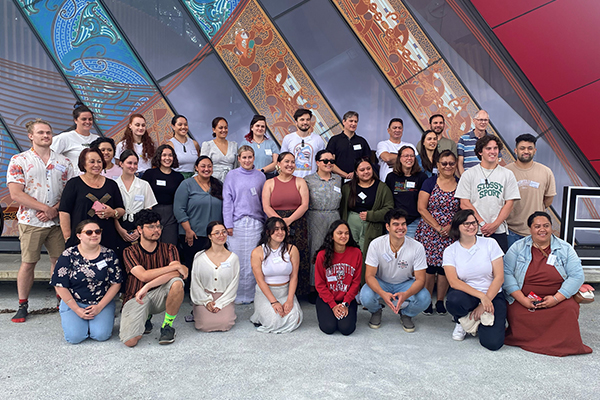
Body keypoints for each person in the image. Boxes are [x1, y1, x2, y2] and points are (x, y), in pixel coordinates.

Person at [7, 119, 75, 323]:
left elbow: (69, 192)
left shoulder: (64, 162)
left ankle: (60, 300)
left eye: (48, 132)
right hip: (31, 221)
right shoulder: (19, 160)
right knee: (28, 263)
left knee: (59, 261)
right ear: (31, 136)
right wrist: (44, 208)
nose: (46, 136)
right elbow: (15, 194)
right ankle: (22, 304)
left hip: (56, 222)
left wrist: (54, 210)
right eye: (41, 133)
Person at [503, 211, 592, 356]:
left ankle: (561, 344)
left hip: (557, 296)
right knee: (517, 311)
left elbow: (577, 275)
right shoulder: (518, 247)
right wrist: (522, 299)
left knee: (568, 309)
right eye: (537, 226)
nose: (542, 229)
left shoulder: (565, 248)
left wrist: (556, 298)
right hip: (525, 297)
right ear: (530, 229)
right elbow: (506, 273)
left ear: (551, 227)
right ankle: (528, 339)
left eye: (546, 225)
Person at [120, 210, 188, 346]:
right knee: (130, 341)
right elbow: (143, 275)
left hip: (159, 295)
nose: (156, 230)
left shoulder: (169, 248)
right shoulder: (129, 251)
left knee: (177, 283)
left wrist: (148, 286)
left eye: (158, 226)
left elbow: (181, 273)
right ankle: (146, 318)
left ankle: (167, 326)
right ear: (139, 229)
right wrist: (173, 268)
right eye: (151, 226)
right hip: (136, 297)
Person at [442, 210, 506, 350]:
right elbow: (453, 282)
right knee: (454, 301)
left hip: (493, 295)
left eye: (473, 223)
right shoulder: (450, 251)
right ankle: (462, 321)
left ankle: (476, 321)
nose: (471, 227)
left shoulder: (490, 243)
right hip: (469, 295)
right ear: (457, 226)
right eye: (466, 224)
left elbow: (499, 277)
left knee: (493, 344)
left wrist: (485, 302)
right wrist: (481, 297)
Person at [50, 220, 122, 343]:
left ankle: (93, 323)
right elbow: (59, 285)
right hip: (75, 302)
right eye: (89, 232)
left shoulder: (109, 254)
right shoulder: (68, 255)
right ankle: (80, 322)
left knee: (101, 335)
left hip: (101, 302)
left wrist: (99, 307)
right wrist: (77, 309)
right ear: (79, 236)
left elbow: (116, 283)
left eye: (97, 231)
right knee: (75, 338)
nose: (94, 235)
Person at [360, 209, 431, 332]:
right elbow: (369, 276)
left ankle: (406, 314)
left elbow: (420, 280)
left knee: (425, 298)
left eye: (403, 224)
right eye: (396, 224)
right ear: (387, 227)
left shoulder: (417, 247)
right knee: (364, 296)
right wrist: (382, 294)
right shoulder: (376, 244)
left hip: (404, 283)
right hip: (382, 281)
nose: (401, 228)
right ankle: (376, 311)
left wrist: (406, 295)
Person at [455, 135, 520, 252]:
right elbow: (464, 203)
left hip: (499, 230)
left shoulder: (507, 174)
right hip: (474, 230)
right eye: (488, 148)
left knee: (498, 268)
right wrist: (482, 224)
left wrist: (495, 225)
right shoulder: (469, 174)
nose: (493, 152)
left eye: (495, 148)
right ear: (480, 151)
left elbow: (509, 203)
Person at [415, 150, 460, 315]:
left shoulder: (460, 183)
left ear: (455, 165)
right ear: (438, 166)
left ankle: (440, 300)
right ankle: (427, 300)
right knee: (429, 268)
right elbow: (421, 207)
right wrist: (437, 227)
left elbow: (463, 208)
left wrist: (449, 226)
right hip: (429, 231)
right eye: (444, 163)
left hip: (451, 232)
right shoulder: (429, 182)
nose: (448, 166)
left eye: (451, 163)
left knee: (444, 268)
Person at [262, 152, 310, 296]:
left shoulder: (300, 182)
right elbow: (266, 206)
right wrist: (280, 224)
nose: (290, 165)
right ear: (279, 164)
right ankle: (277, 290)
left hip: (297, 223)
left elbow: (304, 205)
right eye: (287, 161)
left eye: (293, 162)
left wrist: (288, 221)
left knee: (296, 256)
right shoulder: (269, 182)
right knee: (277, 255)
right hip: (274, 224)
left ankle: (299, 292)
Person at [222, 146, 266, 303]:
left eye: (250, 157)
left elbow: (264, 200)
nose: (247, 160)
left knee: (254, 259)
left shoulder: (260, 176)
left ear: (254, 158)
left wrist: (267, 223)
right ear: (239, 159)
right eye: (244, 157)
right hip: (237, 224)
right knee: (237, 259)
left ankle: (254, 294)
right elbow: (227, 201)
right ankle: (237, 294)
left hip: (256, 222)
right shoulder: (231, 176)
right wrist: (228, 224)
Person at [59, 148, 125, 252]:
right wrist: (68, 237)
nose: (96, 165)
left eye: (99, 161)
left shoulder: (111, 184)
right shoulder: (74, 184)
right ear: (83, 164)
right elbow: (64, 212)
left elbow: (121, 209)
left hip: (107, 236)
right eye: (92, 161)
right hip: (81, 238)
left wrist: (112, 212)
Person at [250, 217, 303, 333]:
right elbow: (260, 281)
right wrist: (274, 302)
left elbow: (294, 277)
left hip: (285, 292)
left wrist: (289, 300)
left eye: (283, 229)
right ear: (268, 232)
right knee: (274, 320)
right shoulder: (257, 252)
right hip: (266, 294)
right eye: (276, 229)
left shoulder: (292, 250)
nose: (280, 232)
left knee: (295, 318)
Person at [341, 158, 394, 275]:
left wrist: (371, 215)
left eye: (368, 168)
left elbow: (389, 209)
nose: (366, 172)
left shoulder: (382, 188)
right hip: (351, 226)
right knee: (350, 254)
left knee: (369, 257)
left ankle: (365, 286)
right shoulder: (347, 187)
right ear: (356, 172)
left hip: (372, 228)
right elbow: (342, 208)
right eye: (362, 169)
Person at [505, 134, 556, 247]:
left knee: (536, 264)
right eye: (522, 148)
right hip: (511, 231)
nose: (526, 151)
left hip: (537, 231)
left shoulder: (546, 172)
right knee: (512, 264)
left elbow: (548, 199)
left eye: (530, 148)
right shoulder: (505, 172)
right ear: (515, 150)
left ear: (535, 150)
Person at [173, 156, 223, 270]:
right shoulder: (186, 185)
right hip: (193, 234)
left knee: (213, 267)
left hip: (214, 235)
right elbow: (179, 209)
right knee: (194, 267)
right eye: (203, 166)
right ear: (196, 168)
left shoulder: (218, 184)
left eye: (209, 166)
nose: (206, 169)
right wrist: (188, 230)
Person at [313, 220, 362, 335]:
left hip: (347, 299)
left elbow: (356, 282)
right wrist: (333, 306)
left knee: (346, 329)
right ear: (332, 236)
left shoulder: (356, 253)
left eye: (346, 233)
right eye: (339, 233)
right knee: (329, 327)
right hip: (327, 299)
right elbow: (320, 285)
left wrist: (345, 303)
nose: (343, 236)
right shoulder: (322, 255)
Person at [190, 222, 240, 332]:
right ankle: (197, 310)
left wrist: (220, 303)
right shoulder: (199, 257)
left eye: (223, 232)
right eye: (216, 233)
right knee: (205, 324)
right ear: (209, 236)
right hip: (204, 296)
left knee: (225, 323)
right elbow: (195, 282)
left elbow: (234, 284)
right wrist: (206, 301)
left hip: (225, 297)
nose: (221, 235)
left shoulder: (233, 258)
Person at [305, 150, 343, 289]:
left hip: (334, 217)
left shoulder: (338, 179)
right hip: (315, 218)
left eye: (331, 161)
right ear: (317, 162)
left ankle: (333, 284)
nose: (329, 164)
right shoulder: (308, 180)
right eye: (325, 161)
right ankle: (315, 286)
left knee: (334, 251)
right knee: (316, 251)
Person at [141, 144, 184, 246]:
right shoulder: (150, 174)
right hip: (152, 212)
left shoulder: (178, 177)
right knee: (151, 243)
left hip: (171, 215)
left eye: (170, 155)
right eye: (164, 155)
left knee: (170, 245)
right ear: (159, 157)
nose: (167, 158)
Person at [115, 150, 157, 247]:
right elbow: (113, 211)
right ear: (121, 163)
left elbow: (148, 209)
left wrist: (139, 230)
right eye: (129, 163)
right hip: (119, 226)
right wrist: (120, 230)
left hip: (139, 226)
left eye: (135, 164)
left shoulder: (144, 185)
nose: (133, 166)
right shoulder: (114, 185)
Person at [385, 146, 427, 238]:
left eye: (412, 156)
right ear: (400, 158)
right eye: (406, 156)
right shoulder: (391, 177)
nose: (409, 158)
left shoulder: (421, 177)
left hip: (414, 222)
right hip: (395, 222)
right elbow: (387, 200)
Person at [51, 102, 100, 174]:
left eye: (90, 119)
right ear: (75, 120)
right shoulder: (64, 137)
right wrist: (62, 170)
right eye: (84, 119)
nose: (87, 122)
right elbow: (49, 157)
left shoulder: (97, 139)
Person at [280, 108, 326, 178]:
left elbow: (322, 160)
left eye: (308, 120)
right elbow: (283, 160)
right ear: (296, 122)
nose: (305, 122)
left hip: (312, 180)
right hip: (292, 179)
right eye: (302, 120)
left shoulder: (318, 139)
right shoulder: (288, 138)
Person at [326, 111, 372, 180]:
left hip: (358, 179)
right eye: (351, 121)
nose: (353, 124)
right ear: (343, 122)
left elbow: (367, 161)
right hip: (337, 179)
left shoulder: (362, 141)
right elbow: (329, 162)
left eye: (355, 121)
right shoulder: (334, 140)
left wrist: (355, 173)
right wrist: (345, 175)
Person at [376, 118, 417, 182]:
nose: (397, 130)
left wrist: (394, 158)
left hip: (406, 182)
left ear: (402, 130)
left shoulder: (410, 146)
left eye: (399, 128)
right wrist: (406, 160)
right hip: (386, 183)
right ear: (388, 130)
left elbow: (416, 161)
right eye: (394, 128)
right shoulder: (382, 144)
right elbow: (387, 158)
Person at [201, 117, 238, 182]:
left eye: (225, 128)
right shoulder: (207, 145)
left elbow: (237, 166)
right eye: (220, 128)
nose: (224, 130)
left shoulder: (234, 145)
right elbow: (202, 165)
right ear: (214, 129)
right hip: (212, 181)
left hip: (231, 181)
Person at [457, 110, 491, 176]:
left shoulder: (492, 140)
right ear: (474, 121)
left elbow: (496, 161)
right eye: (480, 120)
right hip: (469, 179)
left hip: (487, 180)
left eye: (485, 120)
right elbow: (460, 162)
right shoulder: (463, 139)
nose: (483, 122)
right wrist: (464, 178)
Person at [168, 114, 199, 179]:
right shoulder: (170, 145)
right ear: (173, 126)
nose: (183, 127)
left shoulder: (194, 144)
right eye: (180, 124)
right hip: (176, 178)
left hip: (193, 179)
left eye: (185, 124)